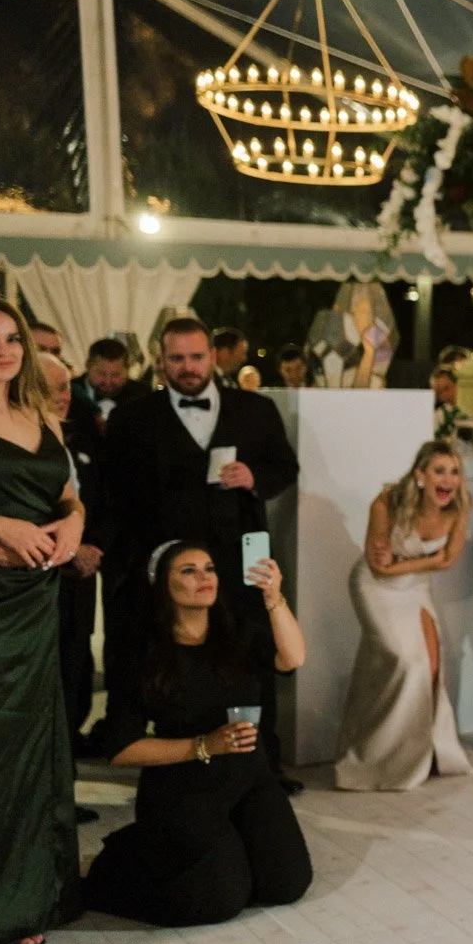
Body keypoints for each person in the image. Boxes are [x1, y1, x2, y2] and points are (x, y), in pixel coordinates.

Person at [103, 318, 301, 791]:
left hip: (241, 559)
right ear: (161, 361)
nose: (187, 367)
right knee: (175, 663)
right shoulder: (133, 418)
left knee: (254, 660)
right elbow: (115, 496)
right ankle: (183, 757)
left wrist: (254, 477)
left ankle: (263, 766)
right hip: (170, 571)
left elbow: (285, 467)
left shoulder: (255, 410)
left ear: (212, 357)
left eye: (196, 357)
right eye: (177, 358)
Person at [83, 541, 311, 925]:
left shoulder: (237, 631)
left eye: (209, 568)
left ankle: (232, 848)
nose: (204, 578)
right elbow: (120, 749)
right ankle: (125, 857)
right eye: (188, 571)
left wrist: (274, 597)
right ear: (162, 586)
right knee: (218, 901)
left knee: (286, 884)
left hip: (249, 777)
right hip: (185, 786)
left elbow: (293, 658)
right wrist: (204, 745)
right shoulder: (143, 653)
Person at [0, 301, 85, 944]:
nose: (0, 349)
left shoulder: (42, 413)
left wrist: (75, 521)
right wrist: (0, 526)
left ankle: (24, 897)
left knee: (30, 747)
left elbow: (67, 493)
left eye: (8, 338)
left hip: (36, 598)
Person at [335, 441, 473, 790]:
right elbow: (378, 569)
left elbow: (446, 561)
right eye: (439, 471)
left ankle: (420, 754)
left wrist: (407, 564)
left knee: (430, 667)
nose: (448, 480)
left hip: (415, 589)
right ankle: (374, 759)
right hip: (375, 590)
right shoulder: (387, 503)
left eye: (454, 471)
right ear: (420, 475)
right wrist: (421, 563)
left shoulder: (459, 509)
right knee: (402, 662)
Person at [40, 355, 110, 766]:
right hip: (40, 581)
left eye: (67, 386)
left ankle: (63, 784)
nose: (62, 396)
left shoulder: (76, 436)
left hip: (80, 577)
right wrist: (69, 553)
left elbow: (90, 499)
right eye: (51, 387)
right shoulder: (20, 441)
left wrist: (92, 545)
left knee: (75, 671)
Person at [72, 336, 149, 432]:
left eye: (116, 375)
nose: (108, 381)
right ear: (88, 366)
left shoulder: (143, 396)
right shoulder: (69, 393)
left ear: (127, 369)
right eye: (101, 373)